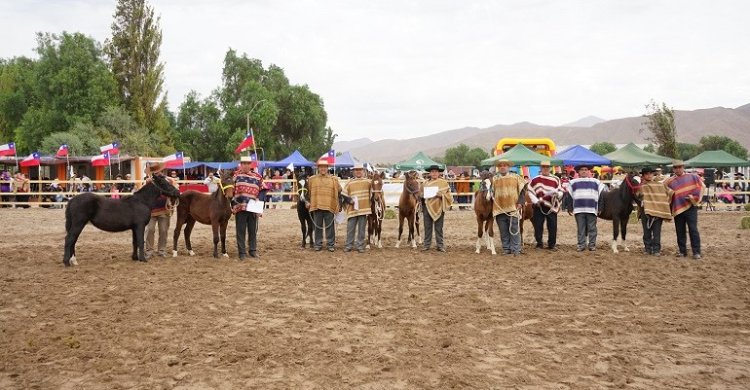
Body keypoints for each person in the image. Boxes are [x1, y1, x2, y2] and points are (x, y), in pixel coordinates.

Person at [664, 160, 703, 259]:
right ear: (673, 169)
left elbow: (701, 187)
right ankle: (682, 251)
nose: (678, 169)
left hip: (691, 207)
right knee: (680, 231)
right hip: (678, 208)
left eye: (679, 167)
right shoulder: (670, 181)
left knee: (693, 229)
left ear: (683, 167)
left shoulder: (693, 177)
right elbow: (664, 190)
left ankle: (696, 252)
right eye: (675, 167)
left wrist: (695, 199)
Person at [492, 159, 526, 256]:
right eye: (501, 165)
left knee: (514, 230)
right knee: (503, 231)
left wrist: (520, 202)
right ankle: (506, 249)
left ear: (508, 167)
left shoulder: (516, 177)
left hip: (513, 208)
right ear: (498, 167)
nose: (502, 167)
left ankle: (516, 249)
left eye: (505, 165)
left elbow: (523, 189)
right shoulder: (495, 179)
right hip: (499, 208)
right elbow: (491, 192)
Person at [232, 155, 264, 260]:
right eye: (243, 163)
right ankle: (242, 253)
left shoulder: (258, 177)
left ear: (251, 165)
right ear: (240, 165)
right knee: (240, 230)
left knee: (252, 230)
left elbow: (263, 190)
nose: (245, 165)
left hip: (253, 207)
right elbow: (230, 191)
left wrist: (260, 207)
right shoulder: (235, 176)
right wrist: (232, 205)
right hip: (240, 207)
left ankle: (253, 250)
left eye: (247, 163)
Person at [568, 165, 606, 251]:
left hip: (592, 209)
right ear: (578, 172)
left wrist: (600, 207)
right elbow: (569, 196)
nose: (584, 171)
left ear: (589, 171)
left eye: (586, 170)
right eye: (582, 170)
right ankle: (581, 245)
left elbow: (601, 195)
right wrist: (570, 208)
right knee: (581, 228)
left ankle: (592, 245)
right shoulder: (573, 182)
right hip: (578, 209)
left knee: (592, 228)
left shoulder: (596, 182)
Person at [144, 162, 178, 259]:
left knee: (163, 231)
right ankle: (149, 250)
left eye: (158, 171)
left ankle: (161, 250)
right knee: (150, 230)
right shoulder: (148, 181)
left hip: (164, 209)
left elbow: (175, 191)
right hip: (150, 211)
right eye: (154, 171)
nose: (157, 173)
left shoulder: (168, 180)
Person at [638, 167, 673, 256]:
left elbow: (670, 193)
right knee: (646, 232)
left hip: (658, 211)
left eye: (650, 173)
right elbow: (637, 196)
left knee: (656, 232)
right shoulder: (641, 186)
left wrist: (664, 205)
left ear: (653, 174)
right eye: (646, 173)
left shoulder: (660, 185)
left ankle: (656, 249)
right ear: (643, 175)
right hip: (645, 211)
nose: (649, 175)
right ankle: (647, 249)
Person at [307, 158, 340, 252]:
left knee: (330, 227)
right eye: (321, 167)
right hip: (316, 205)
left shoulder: (333, 179)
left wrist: (339, 203)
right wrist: (308, 202)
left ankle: (330, 244)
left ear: (327, 168)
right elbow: (308, 192)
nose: (323, 169)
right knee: (317, 226)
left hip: (329, 205)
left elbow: (340, 190)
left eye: (324, 167)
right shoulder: (312, 180)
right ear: (318, 168)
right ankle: (318, 244)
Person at [529, 161, 563, 250]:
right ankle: (539, 244)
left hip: (551, 206)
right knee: (538, 225)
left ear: (550, 168)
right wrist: (536, 201)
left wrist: (557, 194)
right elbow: (530, 191)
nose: (545, 168)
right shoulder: (535, 179)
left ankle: (552, 245)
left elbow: (560, 191)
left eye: (547, 167)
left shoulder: (556, 179)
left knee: (552, 226)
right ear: (540, 168)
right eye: (543, 167)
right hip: (539, 206)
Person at [342, 163, 372, 253]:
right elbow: (344, 195)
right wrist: (349, 200)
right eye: (356, 170)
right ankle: (348, 245)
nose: (358, 171)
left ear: (363, 171)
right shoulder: (349, 183)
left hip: (363, 209)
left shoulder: (368, 182)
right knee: (350, 228)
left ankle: (360, 246)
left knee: (361, 229)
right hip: (352, 209)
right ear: (353, 172)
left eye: (360, 170)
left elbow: (375, 190)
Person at [422, 164, 452, 252]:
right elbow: (420, 193)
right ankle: (426, 245)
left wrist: (441, 195)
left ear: (439, 173)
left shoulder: (444, 183)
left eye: (436, 171)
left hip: (439, 207)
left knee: (439, 228)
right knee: (427, 227)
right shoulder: (425, 183)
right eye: (432, 172)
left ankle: (440, 245)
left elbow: (449, 196)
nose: (434, 173)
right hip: (427, 207)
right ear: (430, 173)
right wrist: (422, 195)